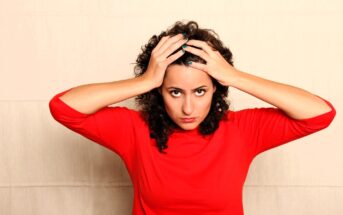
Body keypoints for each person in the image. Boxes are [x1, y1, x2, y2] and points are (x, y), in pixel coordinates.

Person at [49, 21, 336, 215]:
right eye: (174, 92)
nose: (188, 108)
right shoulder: (135, 130)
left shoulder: (241, 130)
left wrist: (234, 76)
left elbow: (320, 113)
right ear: (158, 92)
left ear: (216, 89)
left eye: (200, 91)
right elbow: (63, 107)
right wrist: (145, 80)